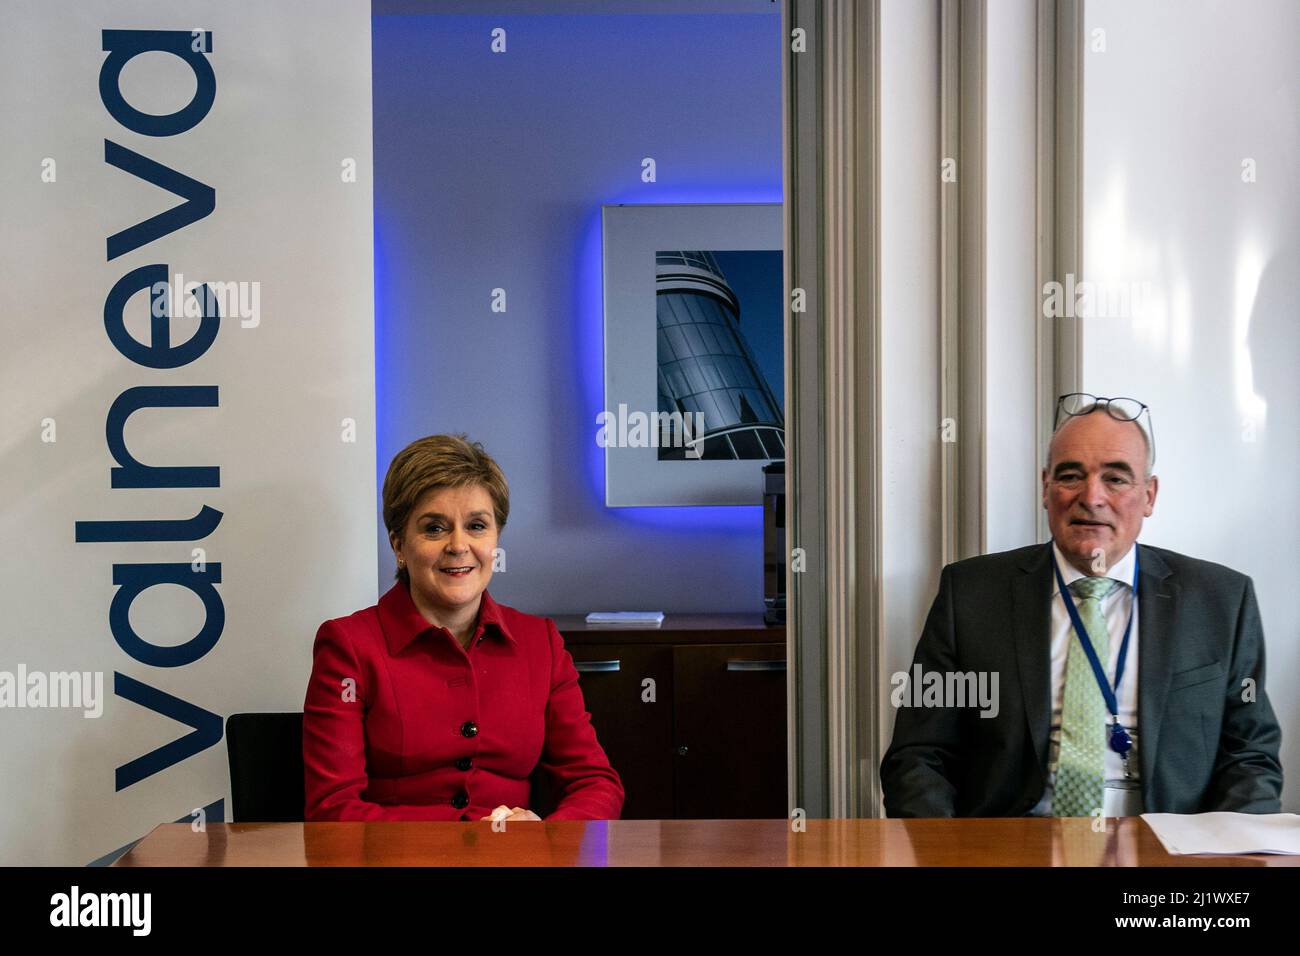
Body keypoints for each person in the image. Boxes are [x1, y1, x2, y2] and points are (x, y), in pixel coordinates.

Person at [880, 394, 1283, 817]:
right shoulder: (972, 595)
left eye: (1116, 478)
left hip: (1165, 852)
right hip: (1012, 850)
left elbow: (1250, 758)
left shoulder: (1221, 601)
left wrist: (1226, 857)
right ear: (1045, 488)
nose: (1091, 497)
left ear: (1149, 495)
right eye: (1071, 476)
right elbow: (920, 757)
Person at [303, 434, 624, 821]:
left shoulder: (541, 642)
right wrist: (468, 846)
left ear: (495, 539)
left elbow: (594, 782)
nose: (458, 545)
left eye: (476, 526)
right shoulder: (348, 646)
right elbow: (333, 810)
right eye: (435, 528)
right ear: (399, 545)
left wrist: (547, 838)